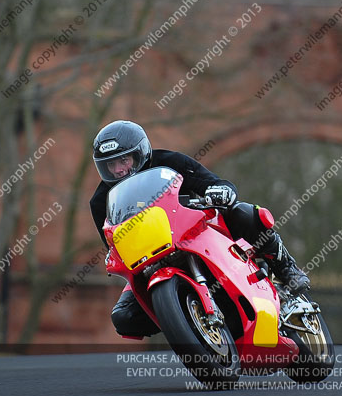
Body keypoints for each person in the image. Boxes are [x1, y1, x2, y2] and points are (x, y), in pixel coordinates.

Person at [89, 120, 310, 339]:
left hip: (193, 231)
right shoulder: (101, 201)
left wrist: (221, 191)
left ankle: (286, 269)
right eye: (111, 165)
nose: (118, 170)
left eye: (123, 160)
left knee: (244, 213)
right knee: (123, 317)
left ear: (140, 153)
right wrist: (170, 314)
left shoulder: (169, 162)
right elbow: (113, 244)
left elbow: (214, 182)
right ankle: (185, 320)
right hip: (148, 259)